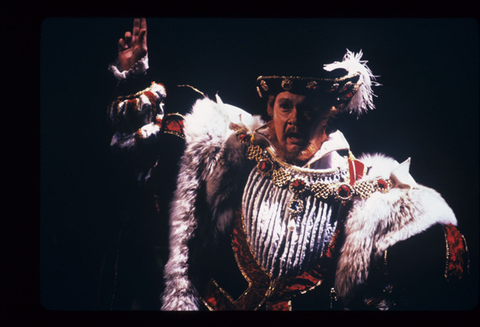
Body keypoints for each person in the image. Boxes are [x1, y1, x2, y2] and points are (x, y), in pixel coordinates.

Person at [108, 18, 470, 311]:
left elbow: (438, 252)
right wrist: (137, 80)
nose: (295, 118)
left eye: (308, 108)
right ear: (271, 108)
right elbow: (146, 158)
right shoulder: (233, 150)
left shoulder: (363, 184)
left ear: (330, 112)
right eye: (286, 105)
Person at [101, 18, 187, 310]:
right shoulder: (141, 111)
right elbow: (119, 147)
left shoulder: (194, 108)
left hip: (178, 249)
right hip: (135, 237)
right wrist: (132, 76)